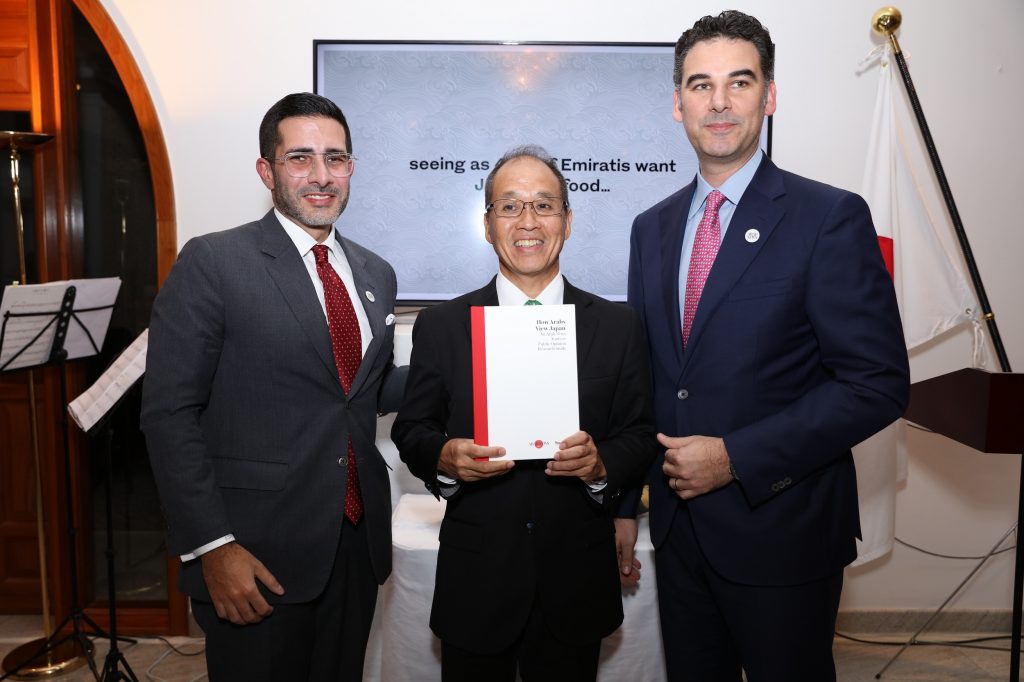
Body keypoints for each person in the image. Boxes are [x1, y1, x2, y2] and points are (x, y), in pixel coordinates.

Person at [613, 11, 910, 682]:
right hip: (681, 537)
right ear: (677, 102)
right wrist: (626, 505)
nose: (718, 103)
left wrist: (736, 458)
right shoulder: (650, 230)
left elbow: (877, 384)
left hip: (785, 532)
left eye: (739, 82)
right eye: (700, 85)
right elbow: (649, 381)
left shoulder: (829, 218)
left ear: (769, 96)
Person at [141, 92, 406, 681]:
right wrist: (212, 546)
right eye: (300, 158)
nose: (321, 176)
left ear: (351, 168)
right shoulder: (214, 262)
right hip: (254, 558)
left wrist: (463, 363)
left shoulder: (374, 272)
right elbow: (168, 414)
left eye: (335, 158)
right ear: (267, 170)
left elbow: (363, 390)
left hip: (353, 550)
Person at [391, 145, 658, 682]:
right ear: (488, 225)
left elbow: (640, 433)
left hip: (576, 577)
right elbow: (411, 429)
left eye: (544, 205)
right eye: (509, 207)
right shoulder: (444, 325)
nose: (528, 221)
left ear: (568, 220)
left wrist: (601, 464)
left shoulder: (617, 326)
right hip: (478, 577)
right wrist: (445, 457)